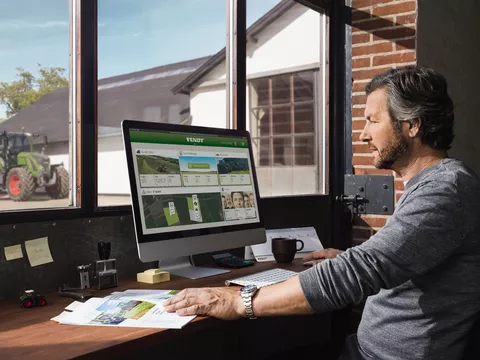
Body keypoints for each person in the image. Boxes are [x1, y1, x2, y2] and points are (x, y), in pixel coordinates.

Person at [164, 66, 480, 360]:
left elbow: (363, 270)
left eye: (373, 120)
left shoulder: (446, 189)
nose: (363, 135)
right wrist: (346, 258)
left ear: (412, 125)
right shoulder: (435, 185)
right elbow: (397, 261)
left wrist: (237, 301)